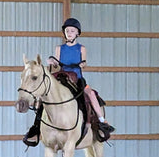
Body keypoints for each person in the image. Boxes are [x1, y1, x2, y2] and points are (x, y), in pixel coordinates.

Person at [23, 18, 115, 146]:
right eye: (67, 31)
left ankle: (101, 122)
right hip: (62, 77)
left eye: (72, 31)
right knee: (45, 96)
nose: (69, 33)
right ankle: (36, 128)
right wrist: (53, 61)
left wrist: (82, 63)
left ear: (77, 33)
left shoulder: (81, 48)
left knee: (90, 94)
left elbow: (84, 63)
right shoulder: (59, 48)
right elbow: (56, 67)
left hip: (76, 78)